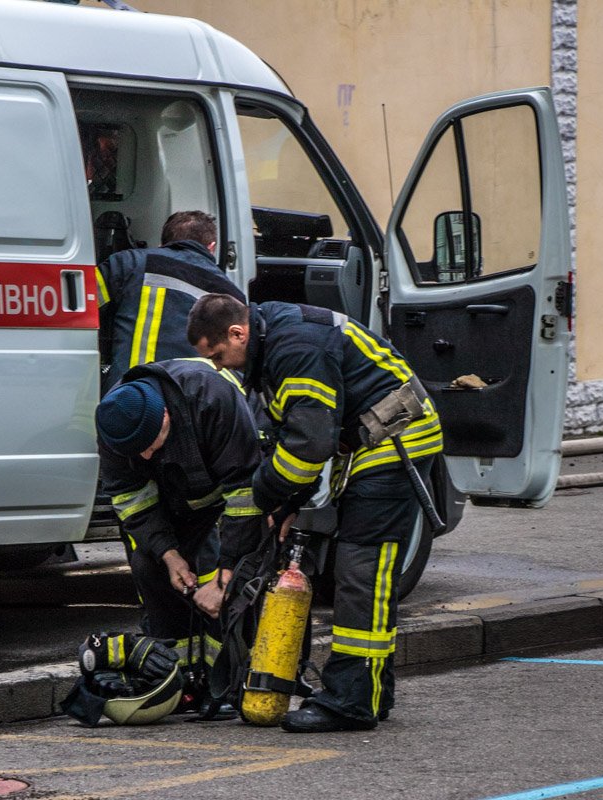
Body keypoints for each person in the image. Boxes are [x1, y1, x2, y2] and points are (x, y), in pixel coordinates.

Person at [186, 294, 443, 733]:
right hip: (370, 444)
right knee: (360, 572)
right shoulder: (274, 341)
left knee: (362, 572)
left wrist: (269, 497)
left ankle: (351, 702)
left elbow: (309, 447)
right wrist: (287, 504)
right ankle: (371, 691)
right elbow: (299, 438)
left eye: (220, 355)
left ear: (237, 333)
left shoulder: (296, 347)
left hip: (395, 443)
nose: (224, 367)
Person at [94, 357, 262, 708]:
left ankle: (233, 682)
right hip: (177, 501)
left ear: (166, 416)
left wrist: (223, 579)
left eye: (151, 443)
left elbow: (244, 497)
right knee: (149, 565)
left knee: (234, 579)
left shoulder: (211, 398)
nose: (145, 454)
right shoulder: (116, 422)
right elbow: (131, 498)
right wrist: (169, 555)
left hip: (234, 490)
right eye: (136, 451)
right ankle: (180, 681)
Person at [96, 211, 245, 394]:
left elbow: (80, 304)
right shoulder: (234, 298)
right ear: (211, 247)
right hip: (193, 402)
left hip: (130, 394)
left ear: (162, 244)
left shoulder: (128, 262)